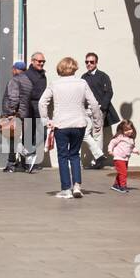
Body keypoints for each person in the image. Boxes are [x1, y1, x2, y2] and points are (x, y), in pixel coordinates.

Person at [39, 56, 101, 199]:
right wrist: (97, 121)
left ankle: (66, 188)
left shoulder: (55, 84)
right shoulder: (82, 83)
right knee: (75, 154)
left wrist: (46, 120)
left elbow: (42, 102)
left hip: (61, 124)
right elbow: (93, 102)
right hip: (79, 123)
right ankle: (77, 186)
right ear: (74, 68)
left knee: (62, 156)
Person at [81, 52, 119, 168]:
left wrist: (102, 107)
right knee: (85, 133)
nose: (89, 64)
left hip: (99, 110)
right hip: (87, 110)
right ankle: (99, 156)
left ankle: (97, 161)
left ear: (96, 63)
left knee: (97, 134)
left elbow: (109, 92)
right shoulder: (83, 77)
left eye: (91, 62)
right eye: (87, 62)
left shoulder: (103, 76)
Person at [0, 60, 35, 172]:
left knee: (11, 138)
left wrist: (11, 112)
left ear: (15, 69)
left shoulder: (14, 80)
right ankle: (12, 163)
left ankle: (27, 155)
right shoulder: (28, 81)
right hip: (24, 114)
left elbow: (14, 98)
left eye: (12, 69)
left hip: (15, 114)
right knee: (13, 138)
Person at [25, 52, 49, 171]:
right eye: (39, 61)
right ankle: (29, 162)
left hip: (41, 108)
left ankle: (33, 158)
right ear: (33, 61)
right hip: (30, 107)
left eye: (43, 61)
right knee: (29, 135)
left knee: (42, 134)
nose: (41, 63)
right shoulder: (27, 75)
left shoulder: (43, 75)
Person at [108, 119, 137, 194]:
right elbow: (112, 143)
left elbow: (131, 147)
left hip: (125, 159)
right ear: (122, 131)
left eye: (130, 129)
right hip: (118, 158)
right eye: (126, 130)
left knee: (121, 172)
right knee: (123, 173)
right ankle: (123, 186)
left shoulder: (131, 139)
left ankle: (116, 185)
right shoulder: (120, 137)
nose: (129, 132)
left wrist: (135, 150)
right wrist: (110, 150)